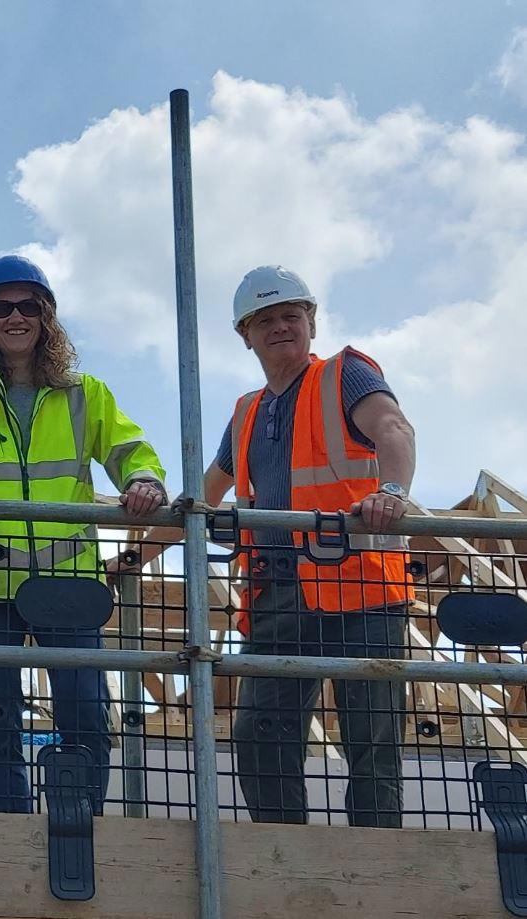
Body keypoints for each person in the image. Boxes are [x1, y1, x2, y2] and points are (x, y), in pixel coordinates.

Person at [116, 265, 415, 827]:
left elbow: (393, 428)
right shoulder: (248, 411)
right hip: (277, 593)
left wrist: (392, 492)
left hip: (362, 592)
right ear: (245, 335)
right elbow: (203, 498)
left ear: (311, 323)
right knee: (259, 738)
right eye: (266, 319)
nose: (281, 327)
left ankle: (378, 875)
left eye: (291, 315)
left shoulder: (344, 375)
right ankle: (285, 857)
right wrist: (135, 558)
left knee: (371, 746)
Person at [0, 255, 167, 815]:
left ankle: (78, 829)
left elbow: (129, 451)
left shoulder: (84, 394)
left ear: (46, 317)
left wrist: (143, 479)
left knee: (86, 715)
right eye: (1, 308)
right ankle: (9, 833)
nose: (14, 317)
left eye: (27, 306)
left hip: (68, 583)